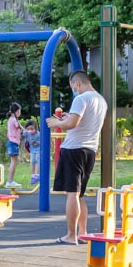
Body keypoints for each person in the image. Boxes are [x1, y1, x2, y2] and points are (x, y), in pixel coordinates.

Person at [46, 71, 108, 245]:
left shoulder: (81, 99)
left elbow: (72, 124)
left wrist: (56, 123)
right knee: (79, 194)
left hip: (74, 149)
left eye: (73, 86)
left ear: (77, 84)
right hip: (90, 150)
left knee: (72, 193)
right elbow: (80, 121)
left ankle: (71, 235)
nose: (73, 89)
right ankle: (83, 232)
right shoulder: (101, 101)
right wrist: (67, 118)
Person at [6, 102, 24, 187]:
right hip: (13, 142)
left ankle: (10, 180)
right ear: (15, 112)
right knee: (14, 162)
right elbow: (21, 128)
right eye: (19, 111)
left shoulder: (11, 120)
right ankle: (10, 181)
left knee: (14, 162)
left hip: (12, 142)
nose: (20, 113)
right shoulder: (13, 120)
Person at [23, 120, 42, 185]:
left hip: (39, 149)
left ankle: (37, 174)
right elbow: (22, 131)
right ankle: (33, 175)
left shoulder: (38, 134)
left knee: (37, 160)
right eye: (28, 129)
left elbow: (42, 141)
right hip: (32, 150)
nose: (30, 131)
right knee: (32, 161)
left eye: (32, 129)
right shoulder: (26, 133)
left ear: (35, 129)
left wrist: (37, 143)